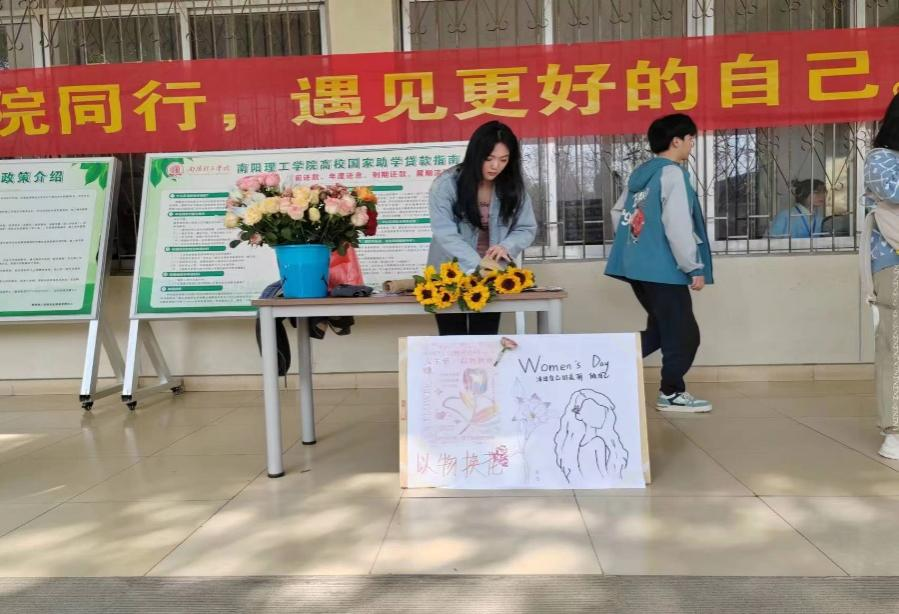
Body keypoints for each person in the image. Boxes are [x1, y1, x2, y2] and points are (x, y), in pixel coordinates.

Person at [605, 113, 714, 413]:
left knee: (660, 331)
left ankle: (602, 363)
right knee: (684, 334)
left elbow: (619, 214)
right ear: (676, 141)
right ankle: (671, 392)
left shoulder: (641, 175)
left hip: (637, 267)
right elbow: (677, 224)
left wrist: (637, 247)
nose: (692, 144)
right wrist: (693, 266)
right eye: (691, 138)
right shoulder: (672, 174)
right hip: (664, 269)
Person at [427, 120, 537, 336]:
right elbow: (445, 233)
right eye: (489, 158)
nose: (496, 166)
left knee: (485, 338)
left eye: (503, 160)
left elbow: (526, 228)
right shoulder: (446, 184)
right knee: (451, 340)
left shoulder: (513, 187)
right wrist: (477, 265)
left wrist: (507, 246)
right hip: (449, 274)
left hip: (491, 274)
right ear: (475, 155)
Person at [860, 92, 899, 460]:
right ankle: (895, 431)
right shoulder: (881, 159)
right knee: (895, 345)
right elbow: (892, 191)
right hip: (893, 261)